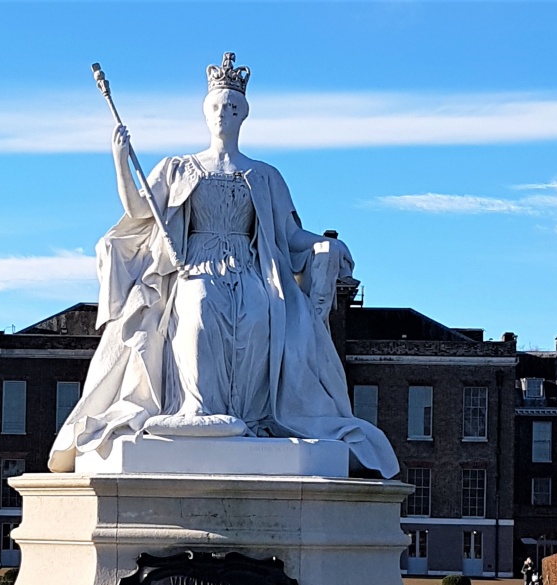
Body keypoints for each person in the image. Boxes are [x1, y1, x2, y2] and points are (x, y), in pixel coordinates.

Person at [49, 54, 399, 478]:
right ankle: (196, 409)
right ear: (206, 112)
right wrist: (121, 161)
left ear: (243, 116)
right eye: (217, 106)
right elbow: (140, 209)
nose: (223, 114)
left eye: (232, 108)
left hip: (249, 270)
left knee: (257, 315)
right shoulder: (179, 167)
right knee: (195, 312)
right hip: (192, 267)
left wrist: (327, 245)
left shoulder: (265, 175)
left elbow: (289, 237)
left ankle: (246, 418)